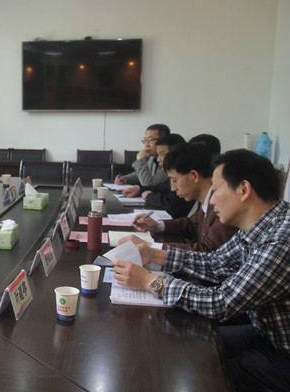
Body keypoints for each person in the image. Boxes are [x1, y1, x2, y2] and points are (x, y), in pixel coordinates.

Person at [113, 149, 290, 391]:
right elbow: (215, 263)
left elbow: (222, 302)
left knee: (196, 373)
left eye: (216, 190)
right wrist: (153, 254)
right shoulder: (261, 225)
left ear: (244, 190)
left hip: (281, 354)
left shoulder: (282, 239)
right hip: (263, 334)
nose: (212, 201)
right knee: (179, 343)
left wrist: (151, 282)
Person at [131, 143, 238, 251]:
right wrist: (157, 225)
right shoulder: (206, 199)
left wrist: (151, 247)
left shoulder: (222, 205)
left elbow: (207, 250)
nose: (173, 188)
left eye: (174, 180)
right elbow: (194, 224)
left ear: (194, 176)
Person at [122, 134, 194, 218]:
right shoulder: (152, 159)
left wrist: (149, 196)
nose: (158, 159)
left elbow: (173, 204)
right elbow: (161, 187)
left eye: (162, 154)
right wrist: (139, 189)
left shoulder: (184, 173)